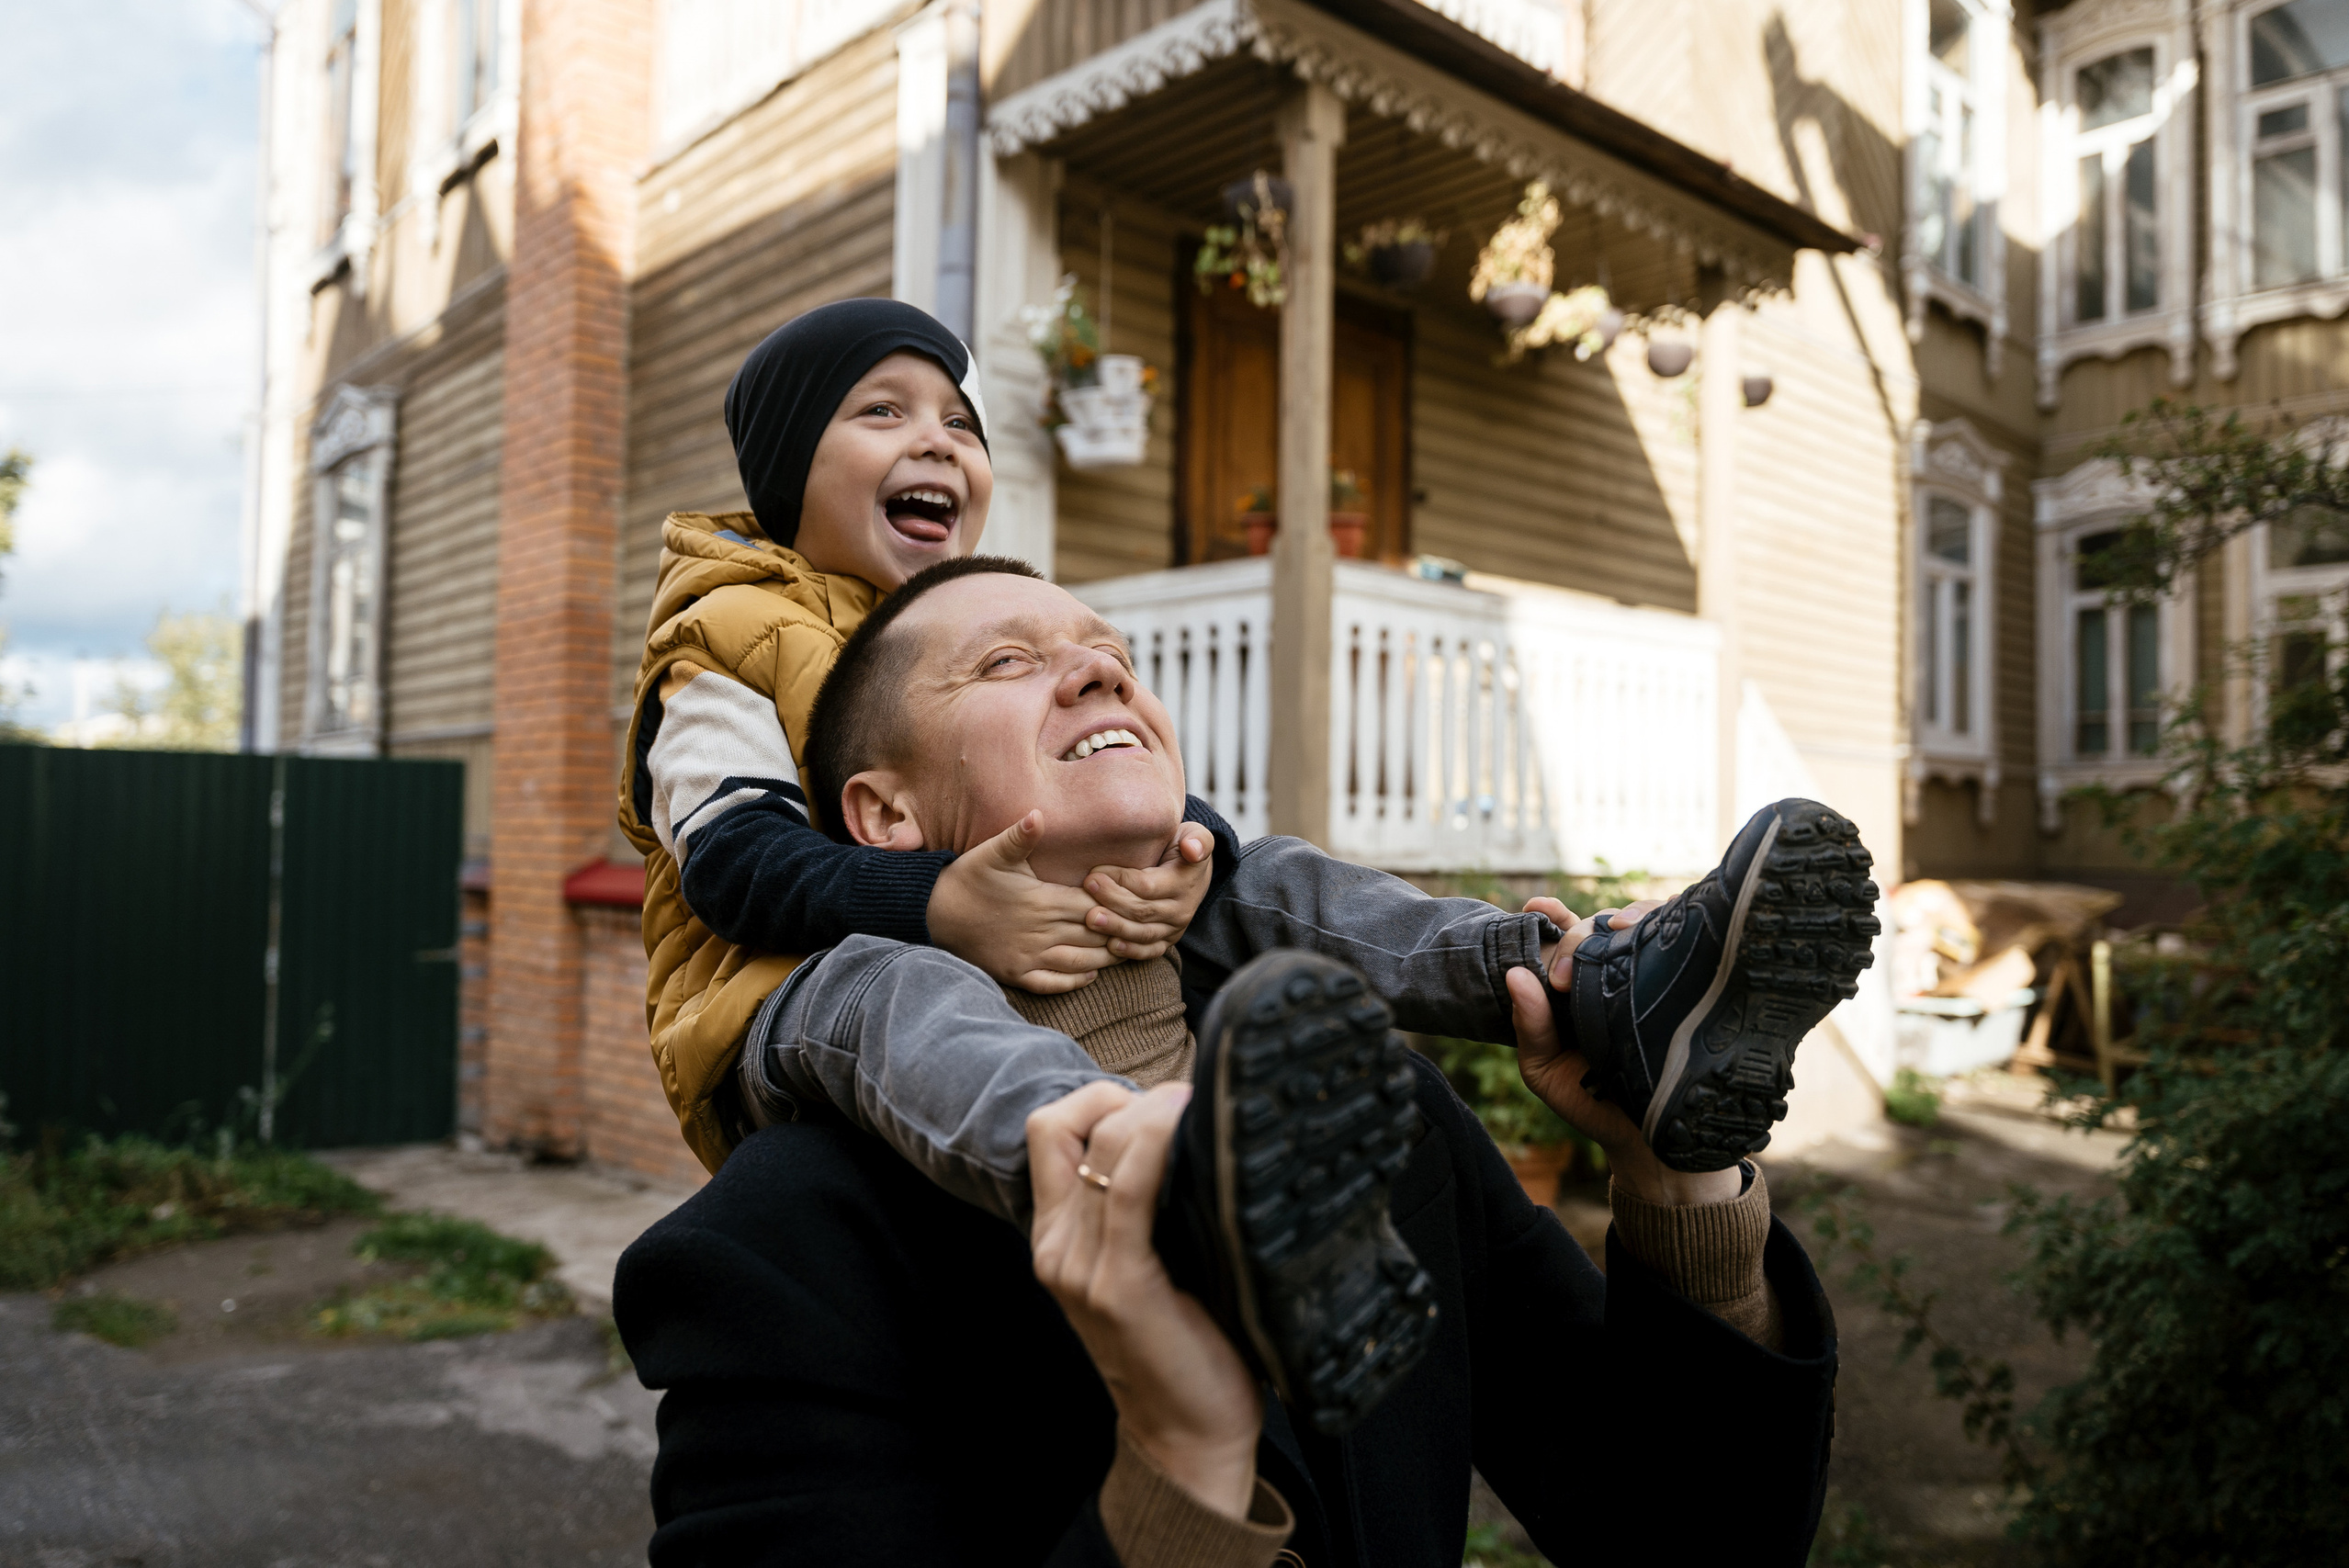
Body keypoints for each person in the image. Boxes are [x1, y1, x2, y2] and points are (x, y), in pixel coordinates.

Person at [613, 558, 1874, 1565]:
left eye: (1108, 651)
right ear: (887, 819)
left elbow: (1696, 1537)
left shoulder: (1375, 1118)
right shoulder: (779, 1249)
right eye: (1007, 660)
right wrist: (1180, 1470)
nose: (1093, 669)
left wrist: (1678, 1181)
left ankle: (1608, 993)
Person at [615, 299, 1224, 1173]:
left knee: (1255, 883)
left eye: (960, 423)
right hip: (782, 1002)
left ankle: (1482, 962)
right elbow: (734, 864)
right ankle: (1108, 1167)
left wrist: (1197, 847)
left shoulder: (965, 627)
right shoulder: (722, 637)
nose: (938, 440)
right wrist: (938, 903)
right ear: (791, 463)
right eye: (882, 409)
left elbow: (1088, 754)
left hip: (976, 963)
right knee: (901, 988)